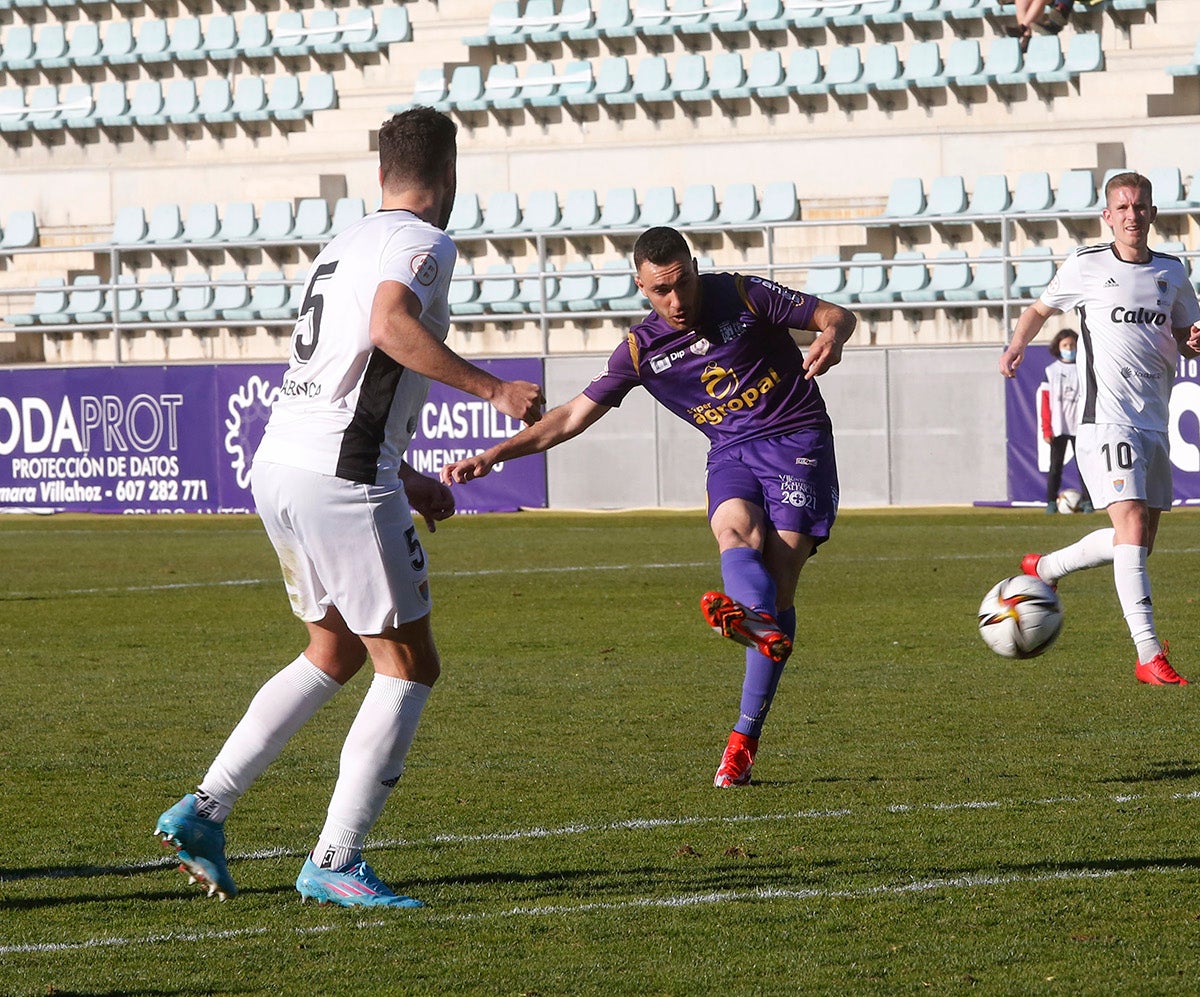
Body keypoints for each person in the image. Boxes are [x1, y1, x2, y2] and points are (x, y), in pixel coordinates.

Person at [153, 106, 545, 906]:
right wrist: (494, 386)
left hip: (282, 465)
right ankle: (335, 856)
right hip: (338, 475)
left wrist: (406, 476)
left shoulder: (345, 241)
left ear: (380, 174)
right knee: (408, 664)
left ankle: (205, 809)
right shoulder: (425, 241)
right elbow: (390, 327)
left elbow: (345, 373)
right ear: (449, 176)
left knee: (331, 652)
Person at [441, 226, 856, 787]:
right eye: (662, 291)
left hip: (796, 438)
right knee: (733, 533)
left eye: (683, 282)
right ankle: (753, 624)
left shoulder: (741, 294)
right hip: (730, 450)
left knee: (780, 584)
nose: (677, 301)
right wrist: (495, 455)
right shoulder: (641, 350)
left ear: (693, 266)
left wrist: (831, 335)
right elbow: (568, 417)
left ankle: (744, 733)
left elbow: (835, 314)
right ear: (640, 285)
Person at [999, 170, 1200, 686]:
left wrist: (1199, 342)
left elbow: (1187, 333)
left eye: (1140, 207)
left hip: (1153, 419)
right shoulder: (1086, 264)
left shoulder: (1172, 271)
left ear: (1153, 213)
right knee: (1132, 525)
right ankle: (1147, 654)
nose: (1131, 215)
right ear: (1107, 216)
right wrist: (1016, 344)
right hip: (1105, 418)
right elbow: (1038, 308)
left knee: (1136, 540)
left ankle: (1045, 569)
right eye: (1121, 207)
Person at [1040, 328, 1087, 515]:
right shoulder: (1051, 371)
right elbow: (1045, 401)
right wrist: (1046, 428)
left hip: (1080, 425)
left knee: (1084, 466)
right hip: (1059, 425)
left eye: (1072, 345)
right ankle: (1051, 501)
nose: (1069, 348)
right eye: (1065, 345)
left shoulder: (1083, 368)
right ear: (1058, 348)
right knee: (1055, 466)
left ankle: (1088, 501)